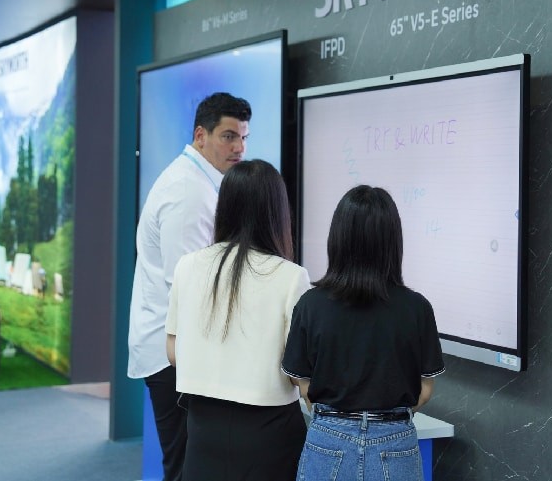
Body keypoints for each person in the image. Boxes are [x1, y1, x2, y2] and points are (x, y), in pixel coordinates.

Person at [281, 185, 445, 481]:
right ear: (392, 241)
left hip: (328, 440)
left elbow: (300, 380)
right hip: (396, 443)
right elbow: (425, 389)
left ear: (338, 238)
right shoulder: (417, 308)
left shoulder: (310, 304)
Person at [128, 92, 251, 481]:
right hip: (176, 355)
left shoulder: (198, 181)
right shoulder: (189, 192)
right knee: (185, 467)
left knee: (189, 464)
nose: (239, 148)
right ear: (201, 135)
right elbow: (188, 288)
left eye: (243, 137)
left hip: (179, 349)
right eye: (228, 136)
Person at [166, 159, 310, 481]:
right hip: (270, 434)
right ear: (277, 212)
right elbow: (299, 372)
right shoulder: (292, 277)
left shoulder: (187, 266)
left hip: (203, 430)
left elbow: (173, 351)